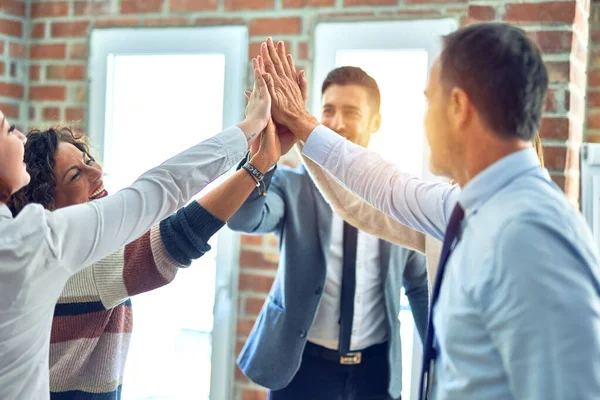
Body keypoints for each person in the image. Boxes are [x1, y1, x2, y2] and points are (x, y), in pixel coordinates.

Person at [257, 23, 600, 400]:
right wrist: (303, 125)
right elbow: (382, 189)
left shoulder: (532, 233)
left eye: (428, 101)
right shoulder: (462, 205)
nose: (424, 120)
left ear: (457, 107)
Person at [0, 61, 279, 400]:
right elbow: (178, 228)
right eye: (76, 176)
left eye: (88, 159)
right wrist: (257, 161)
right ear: (48, 206)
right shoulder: (66, 256)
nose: (98, 173)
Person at [229, 65, 429, 400]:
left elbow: (418, 284)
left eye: (350, 112)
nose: (336, 123)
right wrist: (262, 157)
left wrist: (442, 362)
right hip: (302, 368)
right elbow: (243, 219)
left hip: (375, 372)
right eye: (328, 110)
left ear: (375, 122)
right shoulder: (292, 185)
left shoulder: (396, 195)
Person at [297, 132, 544, 280]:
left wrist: (301, 125)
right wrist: (301, 133)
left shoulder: (537, 230)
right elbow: (361, 207)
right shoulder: (445, 211)